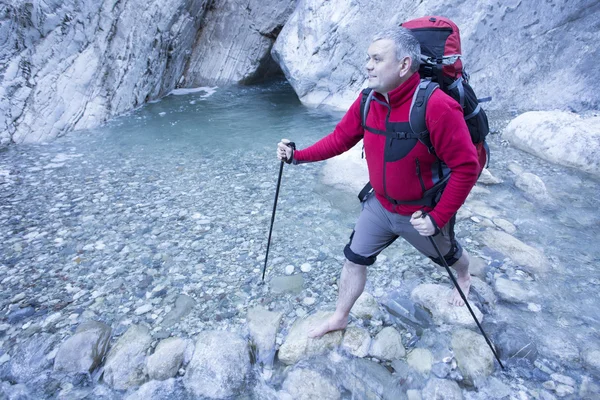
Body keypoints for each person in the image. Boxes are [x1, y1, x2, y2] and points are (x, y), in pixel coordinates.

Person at [276, 27, 480, 338]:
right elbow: (339, 140)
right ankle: (340, 317)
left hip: (421, 212)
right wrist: (297, 156)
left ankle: (465, 275)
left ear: (403, 65)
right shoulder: (369, 100)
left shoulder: (436, 106)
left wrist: (437, 218)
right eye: (367, 58)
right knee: (353, 259)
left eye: (377, 58)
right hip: (380, 206)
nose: (368, 65)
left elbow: (466, 167)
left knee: (449, 255)